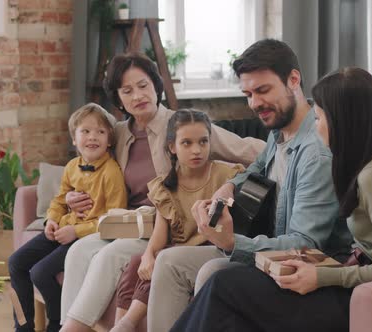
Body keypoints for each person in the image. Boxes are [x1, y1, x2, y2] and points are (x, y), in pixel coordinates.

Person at [172, 67, 372, 332]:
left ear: (344, 121)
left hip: (360, 296)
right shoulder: (371, 165)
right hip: (351, 282)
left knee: (224, 285)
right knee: (228, 291)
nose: (315, 129)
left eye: (318, 118)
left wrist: (322, 276)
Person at [146, 38, 353, 331]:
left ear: (294, 79)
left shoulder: (316, 153)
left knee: (213, 272)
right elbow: (257, 166)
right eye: (248, 93)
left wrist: (232, 243)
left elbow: (305, 245)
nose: (255, 103)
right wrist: (229, 186)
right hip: (267, 244)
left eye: (263, 90)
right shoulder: (280, 131)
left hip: (301, 264)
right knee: (169, 262)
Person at [59, 52, 265, 332]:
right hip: (124, 223)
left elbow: (245, 150)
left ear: (156, 86)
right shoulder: (118, 133)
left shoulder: (181, 126)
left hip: (162, 227)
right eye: (127, 91)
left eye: (143, 86)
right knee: (79, 250)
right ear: (118, 99)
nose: (137, 96)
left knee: (110, 255)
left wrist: (281, 148)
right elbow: (87, 163)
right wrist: (71, 195)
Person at [110, 110, 244, 332]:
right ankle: (121, 324)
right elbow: (160, 234)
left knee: (164, 259)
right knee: (137, 262)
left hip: (213, 250)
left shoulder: (226, 176)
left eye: (203, 142)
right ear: (172, 147)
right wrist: (148, 254)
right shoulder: (166, 185)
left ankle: (129, 322)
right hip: (180, 251)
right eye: (187, 143)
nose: (197, 150)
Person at [8, 103, 127, 332]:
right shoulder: (72, 166)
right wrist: (51, 220)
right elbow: (60, 200)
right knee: (15, 263)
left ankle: (57, 325)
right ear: (74, 138)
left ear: (109, 140)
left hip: (86, 237)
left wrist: (76, 231)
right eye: (85, 131)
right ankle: (22, 327)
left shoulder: (112, 173)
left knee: (40, 272)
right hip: (61, 229)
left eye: (100, 132)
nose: (93, 137)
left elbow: (114, 219)